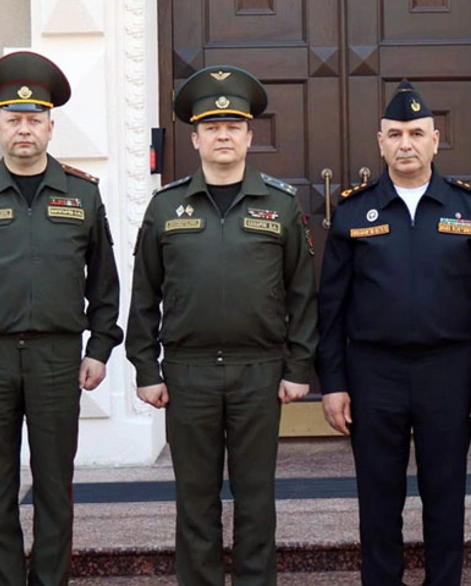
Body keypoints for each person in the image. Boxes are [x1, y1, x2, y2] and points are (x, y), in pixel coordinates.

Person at [0, 50, 123, 586]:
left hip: (56, 359)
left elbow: (104, 285)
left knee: (55, 487)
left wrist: (99, 349)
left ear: (51, 127)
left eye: (34, 120)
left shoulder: (82, 195)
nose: (24, 130)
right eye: (13, 120)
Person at [125, 64, 317, 586]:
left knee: (256, 501)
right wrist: (146, 368)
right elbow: (144, 295)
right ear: (195, 138)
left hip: (259, 372)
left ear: (250, 136)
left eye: (234, 126)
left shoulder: (280, 205)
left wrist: (298, 366)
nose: (223, 136)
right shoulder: (166, 207)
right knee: (195, 502)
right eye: (212, 127)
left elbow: (303, 294)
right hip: (188, 374)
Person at [316, 79, 471, 586]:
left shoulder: (469, 209)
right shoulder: (353, 211)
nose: (406, 144)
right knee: (378, 497)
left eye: (417, 133)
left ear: (435, 140)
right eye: (396, 134)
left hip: (446, 369)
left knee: (445, 495)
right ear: (380, 142)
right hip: (373, 372)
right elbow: (331, 308)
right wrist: (333, 383)